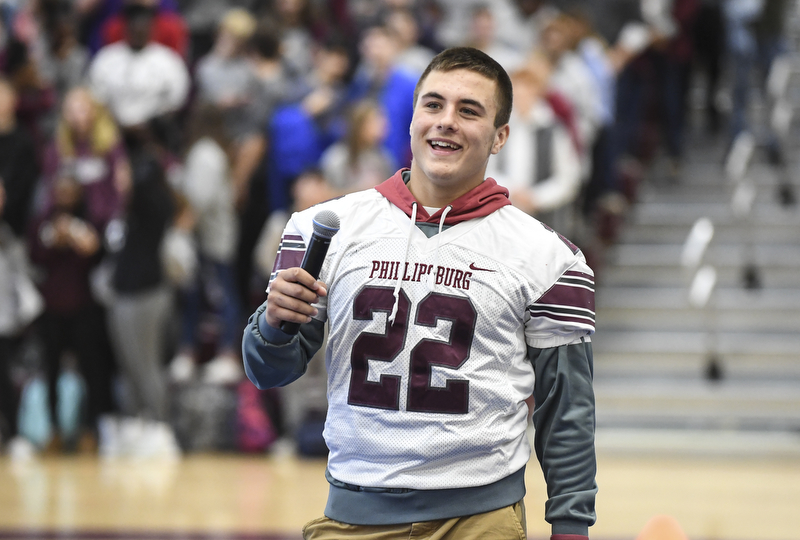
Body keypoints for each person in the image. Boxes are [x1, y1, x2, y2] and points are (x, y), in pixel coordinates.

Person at [243, 47, 597, 539]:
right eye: (433, 105)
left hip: (481, 519)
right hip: (353, 513)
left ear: (500, 137)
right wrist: (271, 324)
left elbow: (567, 413)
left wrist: (571, 527)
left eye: (469, 110)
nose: (446, 121)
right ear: (411, 118)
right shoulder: (325, 228)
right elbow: (269, 370)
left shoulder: (550, 258)